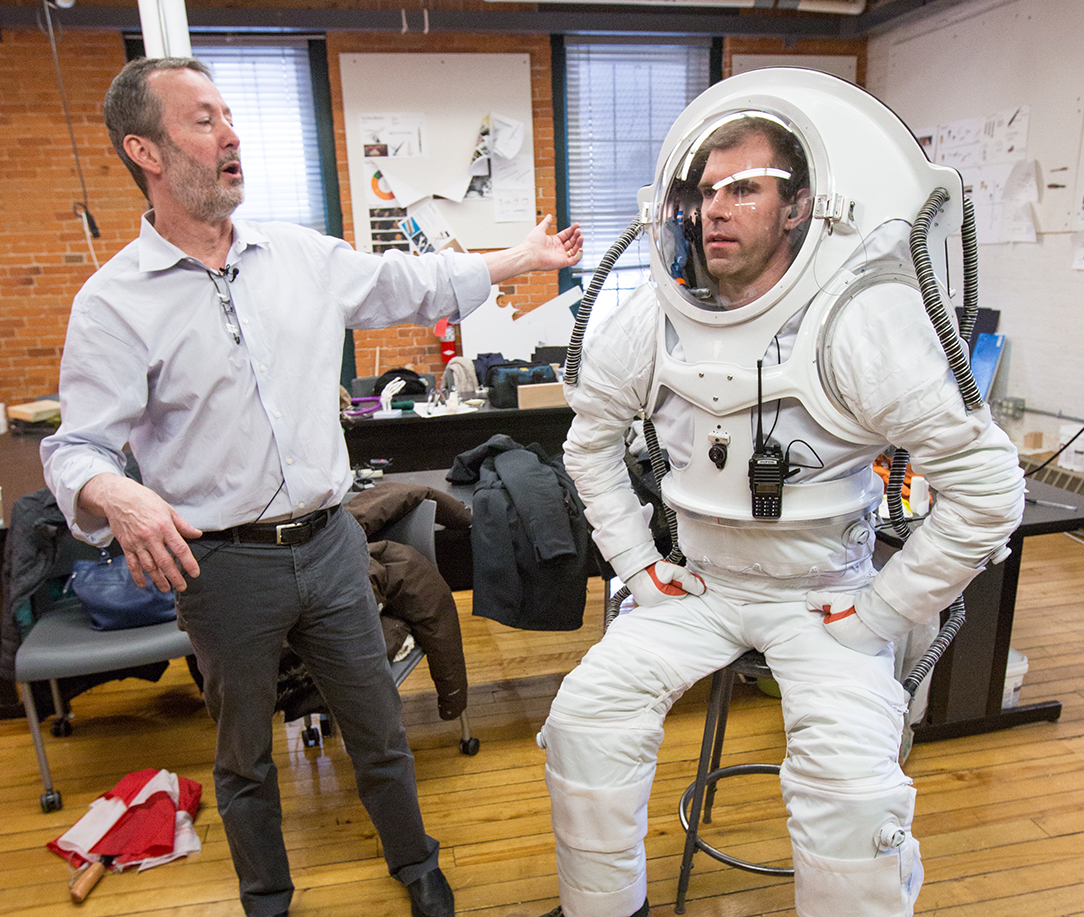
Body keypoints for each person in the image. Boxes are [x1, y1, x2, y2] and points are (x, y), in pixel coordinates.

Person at [40, 56, 582, 917]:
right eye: (203, 120)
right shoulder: (114, 304)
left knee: (378, 729)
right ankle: (266, 894)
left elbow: (416, 282)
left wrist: (522, 255)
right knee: (243, 758)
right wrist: (118, 493)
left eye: (229, 115)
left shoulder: (296, 255)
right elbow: (74, 451)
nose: (231, 134)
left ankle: (417, 865)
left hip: (332, 546)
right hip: (222, 570)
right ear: (144, 150)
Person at [537, 69, 1024, 917]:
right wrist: (639, 565)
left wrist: (884, 609)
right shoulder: (652, 318)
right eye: (703, 192)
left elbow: (986, 491)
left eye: (744, 189)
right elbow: (589, 445)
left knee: (850, 795)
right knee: (584, 721)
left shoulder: (864, 323)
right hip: (700, 586)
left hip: (825, 599)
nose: (714, 209)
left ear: (802, 207)